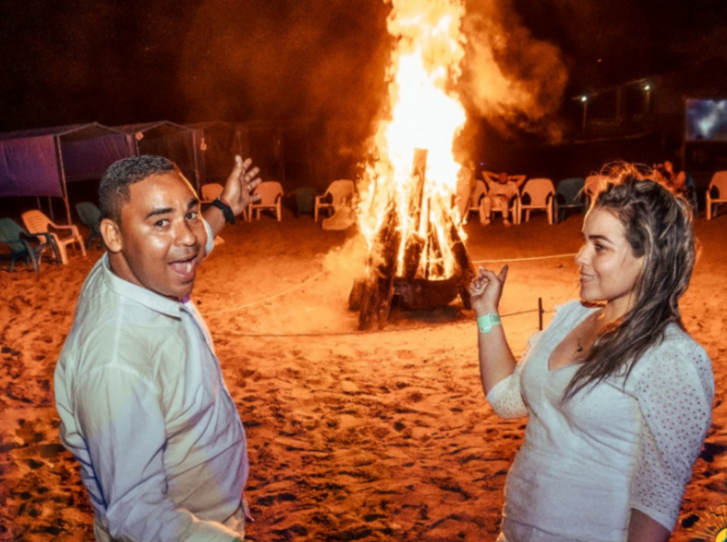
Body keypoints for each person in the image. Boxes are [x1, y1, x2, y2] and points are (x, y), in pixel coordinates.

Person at [469, 165, 713, 542]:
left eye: (599, 246)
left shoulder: (670, 357)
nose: (581, 257)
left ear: (648, 256)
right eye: (584, 241)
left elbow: (656, 501)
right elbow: (506, 399)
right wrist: (487, 313)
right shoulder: (570, 317)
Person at [55, 154, 261, 542]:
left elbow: (185, 247)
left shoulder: (127, 268)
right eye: (161, 222)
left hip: (216, 509)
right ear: (114, 235)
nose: (188, 238)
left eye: (191, 214)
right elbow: (135, 513)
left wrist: (224, 209)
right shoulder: (117, 364)